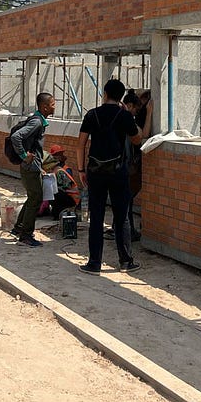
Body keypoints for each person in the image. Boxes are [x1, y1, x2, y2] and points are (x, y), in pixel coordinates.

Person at [77, 79, 142, 274]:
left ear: (104, 94)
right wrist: (128, 116)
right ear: (121, 96)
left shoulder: (92, 114)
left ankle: (94, 263)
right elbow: (137, 138)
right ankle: (125, 261)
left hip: (95, 171)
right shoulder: (124, 116)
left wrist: (81, 170)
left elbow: (80, 144)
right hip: (118, 171)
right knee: (121, 217)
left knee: (96, 217)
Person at [104, 89, 154, 242]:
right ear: (130, 105)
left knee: (122, 201)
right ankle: (126, 233)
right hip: (122, 166)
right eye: (136, 109)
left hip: (109, 166)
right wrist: (150, 112)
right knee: (126, 201)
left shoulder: (107, 115)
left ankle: (121, 229)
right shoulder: (125, 119)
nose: (136, 113)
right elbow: (142, 135)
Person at [8, 92, 56, 247]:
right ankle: (26, 236)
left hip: (33, 167)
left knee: (33, 197)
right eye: (52, 104)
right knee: (36, 199)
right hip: (29, 167)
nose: (54, 107)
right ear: (44, 106)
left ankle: (19, 228)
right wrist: (23, 155)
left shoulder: (38, 120)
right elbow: (16, 137)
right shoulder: (36, 122)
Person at [46, 144, 81, 219]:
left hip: (72, 199)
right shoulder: (55, 170)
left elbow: (64, 188)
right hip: (66, 196)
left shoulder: (60, 171)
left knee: (53, 192)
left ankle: (68, 209)